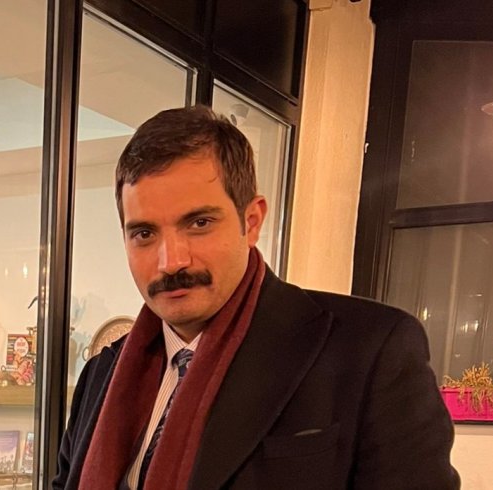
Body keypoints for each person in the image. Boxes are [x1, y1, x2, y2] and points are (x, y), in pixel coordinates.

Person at [54, 105, 460, 490]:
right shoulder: (101, 374)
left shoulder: (370, 351)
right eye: (144, 233)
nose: (171, 261)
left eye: (199, 223)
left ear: (251, 222)